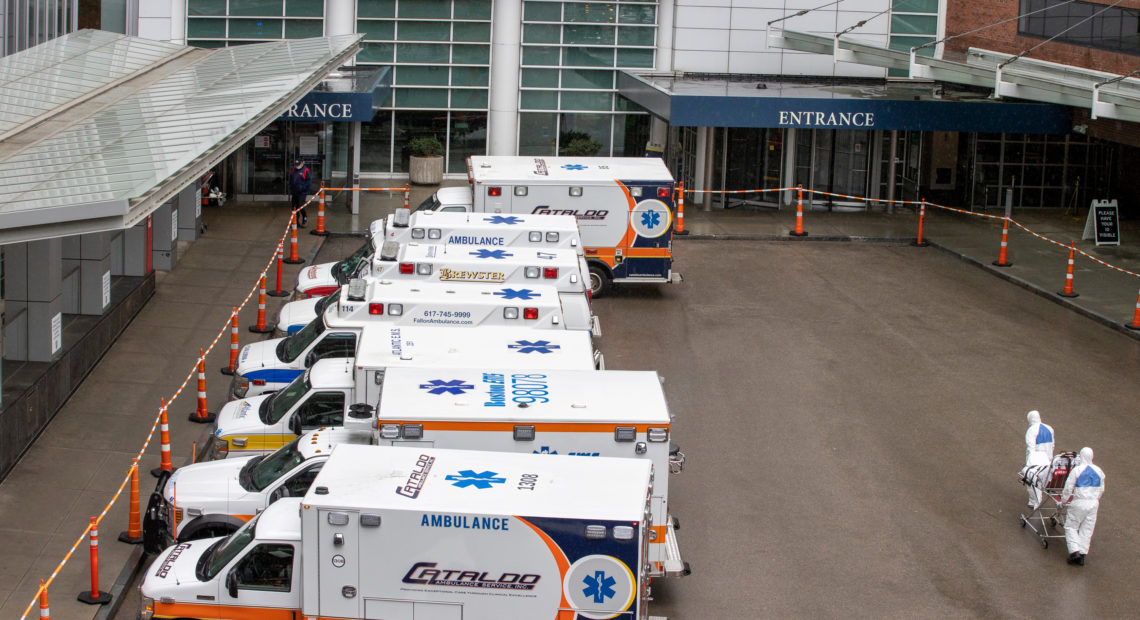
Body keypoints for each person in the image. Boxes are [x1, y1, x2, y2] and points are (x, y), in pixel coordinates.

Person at [1062, 446, 1105, 566]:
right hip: (1093, 503)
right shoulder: (1099, 471)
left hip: (1079, 502)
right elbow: (1101, 489)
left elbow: (1068, 488)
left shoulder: (1077, 470)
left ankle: (1074, 551)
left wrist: (1064, 501)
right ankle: (1082, 555)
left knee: (1071, 526)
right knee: (1087, 529)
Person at [1023, 410, 1054, 508]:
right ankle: (1035, 499)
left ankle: (1034, 500)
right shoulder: (1049, 428)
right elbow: (1052, 445)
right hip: (1047, 459)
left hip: (1036, 460)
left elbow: (1030, 447)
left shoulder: (1032, 430)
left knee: (1031, 478)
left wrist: (1030, 462)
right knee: (1043, 478)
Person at [289, 159, 311, 227]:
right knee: (294, 207)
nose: (297, 166)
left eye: (298, 165)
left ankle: (304, 217)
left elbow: (308, 182)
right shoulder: (294, 170)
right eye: (296, 165)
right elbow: (291, 179)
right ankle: (296, 222)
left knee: (300, 206)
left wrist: (303, 188)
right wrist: (290, 186)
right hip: (294, 191)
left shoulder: (306, 170)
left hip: (302, 192)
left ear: (302, 164)